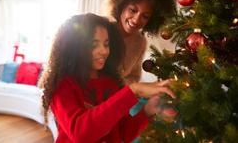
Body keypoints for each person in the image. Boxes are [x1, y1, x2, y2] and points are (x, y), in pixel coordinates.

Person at [38, 13, 175, 143]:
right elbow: (80, 133)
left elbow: (124, 132)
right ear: (74, 48)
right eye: (93, 45)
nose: (104, 51)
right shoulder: (63, 86)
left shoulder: (110, 83)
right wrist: (133, 90)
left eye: (106, 44)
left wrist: (148, 109)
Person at [104, 0, 176, 84]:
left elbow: (134, 77)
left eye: (145, 16)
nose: (136, 19)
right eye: (133, 10)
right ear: (121, 4)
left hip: (120, 96)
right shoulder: (102, 29)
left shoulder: (140, 42)